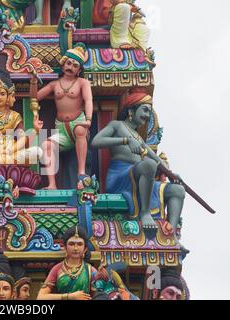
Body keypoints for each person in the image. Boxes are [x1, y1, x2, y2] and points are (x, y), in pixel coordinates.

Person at [90, 88, 187, 252]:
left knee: (177, 190)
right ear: (131, 110)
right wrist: (125, 140)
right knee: (147, 165)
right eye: (145, 110)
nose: (147, 115)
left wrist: (171, 174)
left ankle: (171, 236)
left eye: (149, 112)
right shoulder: (117, 126)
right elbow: (96, 141)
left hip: (141, 176)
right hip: (121, 177)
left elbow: (156, 160)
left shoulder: (139, 138)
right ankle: (144, 213)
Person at [31, 43, 93, 189]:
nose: (70, 67)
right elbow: (35, 97)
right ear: (64, 63)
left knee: (79, 130)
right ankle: (52, 184)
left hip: (78, 123)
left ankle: (82, 174)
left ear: (79, 70)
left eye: (75, 65)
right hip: (61, 128)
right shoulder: (54, 85)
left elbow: (89, 100)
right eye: (69, 63)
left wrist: (89, 120)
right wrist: (33, 81)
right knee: (46, 145)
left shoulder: (83, 83)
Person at [37, 225, 97, 300]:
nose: (75, 248)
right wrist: (70, 296)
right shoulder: (57, 269)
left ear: (85, 249)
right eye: (71, 244)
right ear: (65, 247)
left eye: (79, 244)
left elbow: (100, 296)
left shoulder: (91, 271)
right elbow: (41, 297)